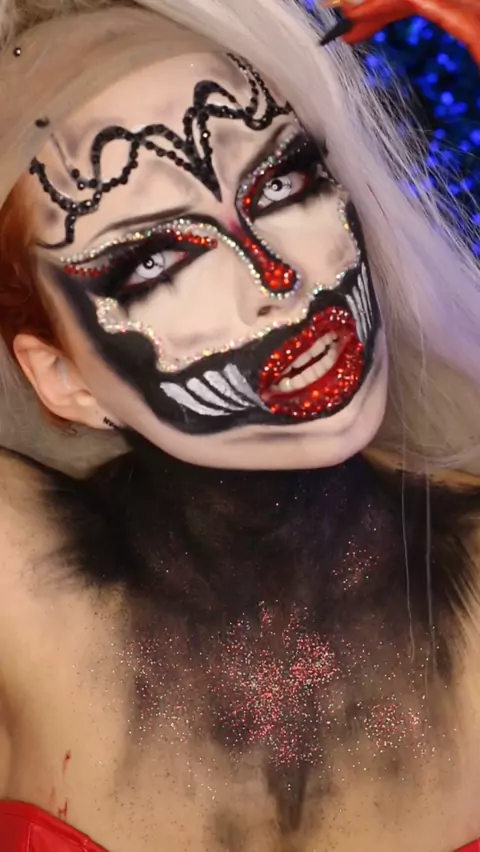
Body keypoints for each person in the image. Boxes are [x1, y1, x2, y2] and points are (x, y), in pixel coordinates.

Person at [0, 0, 479, 850]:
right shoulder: (22, 577)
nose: (278, 279)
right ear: (63, 379)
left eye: (285, 185)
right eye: (155, 261)